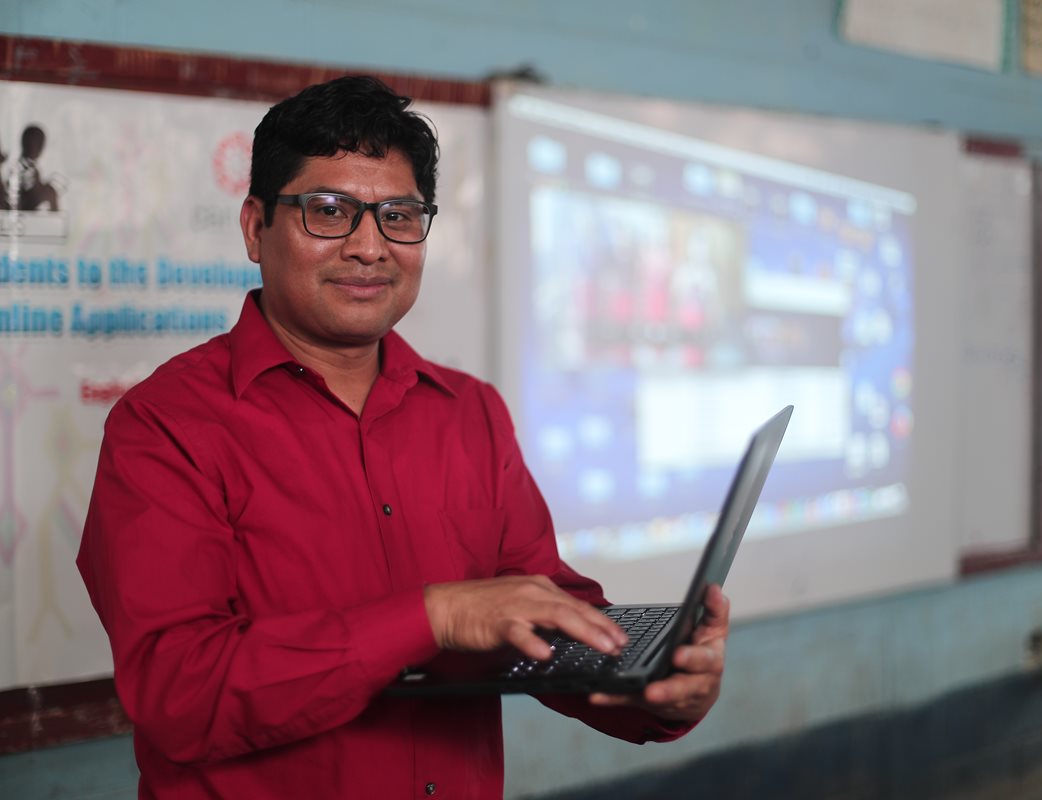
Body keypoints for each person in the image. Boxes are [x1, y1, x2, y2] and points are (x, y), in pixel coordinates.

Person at [77, 75, 729, 799]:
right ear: (255, 226)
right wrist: (436, 617)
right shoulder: (166, 426)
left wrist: (654, 688)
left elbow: (537, 615)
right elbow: (179, 695)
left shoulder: (470, 412)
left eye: (398, 215)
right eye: (329, 212)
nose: (369, 247)